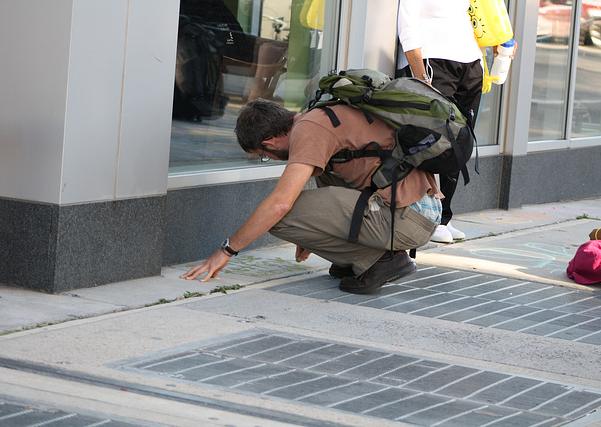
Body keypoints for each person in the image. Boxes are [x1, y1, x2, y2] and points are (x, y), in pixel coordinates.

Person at [181, 99, 444, 294]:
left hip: (409, 217)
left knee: (280, 216)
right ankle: (362, 258)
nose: (268, 159)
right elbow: (337, 178)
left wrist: (227, 250)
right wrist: (316, 227)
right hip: (416, 209)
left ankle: (378, 259)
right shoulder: (318, 115)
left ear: (270, 142)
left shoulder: (309, 130)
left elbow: (280, 204)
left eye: (265, 155)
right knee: (292, 212)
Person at [396, 0, 486, 244]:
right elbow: (408, 29)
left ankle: (444, 217)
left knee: (460, 140)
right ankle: (428, 218)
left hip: (471, 65)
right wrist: (421, 76)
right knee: (432, 140)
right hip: (434, 64)